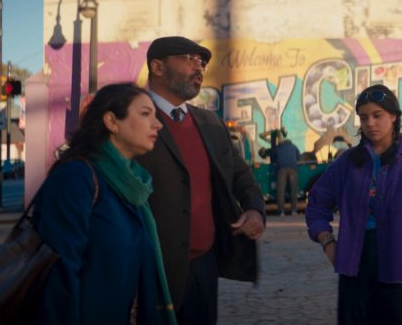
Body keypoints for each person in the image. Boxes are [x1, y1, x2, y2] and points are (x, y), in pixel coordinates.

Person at [136, 36, 266, 325]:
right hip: (152, 267)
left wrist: (255, 209)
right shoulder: (134, 118)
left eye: (202, 62)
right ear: (157, 66)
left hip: (203, 265)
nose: (199, 68)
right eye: (189, 59)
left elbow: (240, 174)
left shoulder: (210, 123)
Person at [33, 83, 175, 324]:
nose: (157, 124)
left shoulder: (133, 183)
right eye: (145, 114)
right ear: (112, 121)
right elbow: (59, 273)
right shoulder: (76, 177)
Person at [305, 84, 402, 324]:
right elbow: (317, 204)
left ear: (393, 116)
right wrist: (328, 243)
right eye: (364, 117)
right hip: (354, 269)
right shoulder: (348, 163)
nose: (370, 123)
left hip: (399, 269)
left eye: (377, 115)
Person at [272, 134, 300, 216]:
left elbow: (273, 158)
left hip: (282, 169)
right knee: (293, 191)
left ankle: (281, 211)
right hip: (293, 169)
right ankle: (294, 211)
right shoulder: (294, 147)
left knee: (281, 191)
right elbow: (298, 157)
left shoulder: (279, 147)